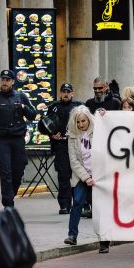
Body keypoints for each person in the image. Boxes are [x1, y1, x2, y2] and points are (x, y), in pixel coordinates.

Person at [0, 68, 38, 208]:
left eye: (7, 80)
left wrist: (24, 108)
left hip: (18, 139)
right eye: (3, 80)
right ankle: (8, 205)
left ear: (13, 82)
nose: (4, 82)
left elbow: (33, 115)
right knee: (6, 171)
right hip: (2, 141)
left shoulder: (21, 96)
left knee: (18, 170)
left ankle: (10, 196)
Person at [65, 106, 112, 254]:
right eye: (78, 122)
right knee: (77, 202)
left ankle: (104, 241)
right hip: (82, 176)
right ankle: (72, 235)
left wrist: (105, 114)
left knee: (99, 208)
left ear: (89, 119)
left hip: (99, 175)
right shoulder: (72, 136)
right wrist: (86, 178)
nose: (80, 124)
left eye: (83, 121)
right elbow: (73, 161)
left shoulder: (98, 129)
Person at [44, 83, 76, 215]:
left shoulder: (78, 106)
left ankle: (80, 204)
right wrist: (51, 134)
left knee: (78, 175)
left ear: (72, 93)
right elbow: (44, 125)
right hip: (61, 145)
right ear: (60, 93)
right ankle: (64, 205)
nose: (66, 94)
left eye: (68, 92)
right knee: (63, 176)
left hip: (75, 145)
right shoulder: (54, 107)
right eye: (64, 92)